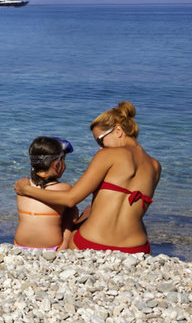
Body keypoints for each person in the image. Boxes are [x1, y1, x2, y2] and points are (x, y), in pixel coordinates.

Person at [15, 102, 161, 254]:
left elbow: (71, 198)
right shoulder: (155, 166)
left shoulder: (107, 155)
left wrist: (26, 190)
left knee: (83, 211)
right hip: (136, 249)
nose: (100, 147)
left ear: (118, 131)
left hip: (92, 243)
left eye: (100, 140)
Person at [14, 136, 77, 250]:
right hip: (53, 247)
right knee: (73, 210)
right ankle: (65, 243)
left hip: (20, 245)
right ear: (56, 165)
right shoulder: (65, 188)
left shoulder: (22, 185)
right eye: (63, 160)